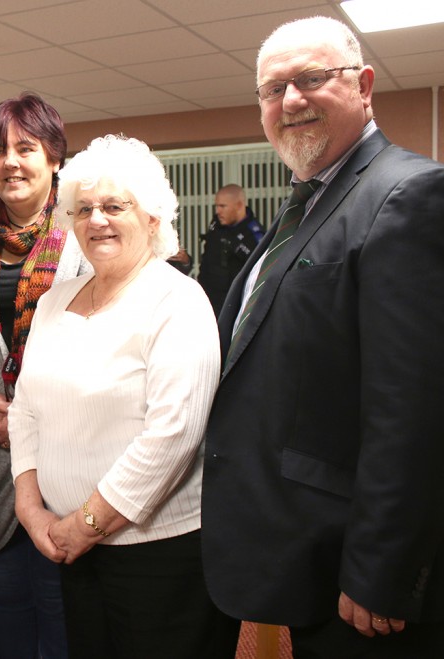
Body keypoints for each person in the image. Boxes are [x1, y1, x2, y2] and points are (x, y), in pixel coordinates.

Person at [201, 16, 444, 657]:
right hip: (299, 543)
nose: (290, 101)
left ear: (364, 86)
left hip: (354, 566)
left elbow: (413, 411)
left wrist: (380, 570)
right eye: (273, 88)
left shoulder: (407, 194)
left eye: (311, 79)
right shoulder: (308, 199)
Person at [8, 135, 241, 659]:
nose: (97, 220)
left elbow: (172, 437)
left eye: (115, 206)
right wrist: (30, 508)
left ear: (154, 219)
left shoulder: (177, 300)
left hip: (160, 558)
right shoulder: (54, 301)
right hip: (73, 550)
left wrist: (83, 525)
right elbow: (24, 409)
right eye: (84, 208)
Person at [0, 91, 88, 659]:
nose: (11, 162)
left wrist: (33, 418)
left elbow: (109, 346)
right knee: (6, 614)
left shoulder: (87, 236)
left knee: (66, 621)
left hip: (67, 460)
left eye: (26, 148)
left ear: (55, 157)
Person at [197, 184, 264, 313]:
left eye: (222, 206)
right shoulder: (216, 224)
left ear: (239, 205)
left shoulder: (254, 234)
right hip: (207, 303)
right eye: (217, 206)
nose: (218, 211)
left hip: (234, 308)